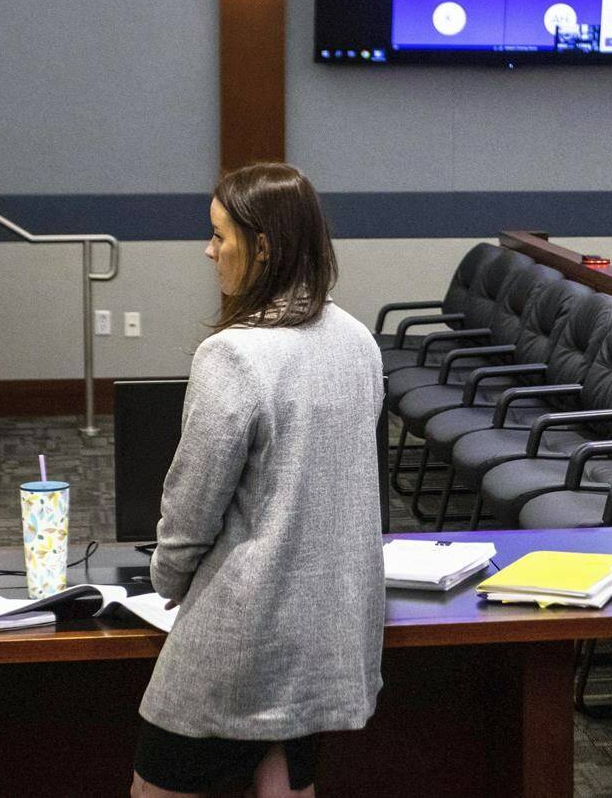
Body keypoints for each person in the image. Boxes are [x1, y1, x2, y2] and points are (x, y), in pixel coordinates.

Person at [131, 163, 386, 797]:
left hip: (240, 639)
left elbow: (192, 505)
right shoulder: (358, 341)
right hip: (326, 638)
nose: (208, 250)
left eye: (219, 236)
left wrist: (167, 575)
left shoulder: (233, 355)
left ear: (262, 247)